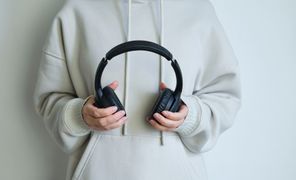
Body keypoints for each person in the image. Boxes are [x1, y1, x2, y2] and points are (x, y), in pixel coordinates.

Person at [33, 0, 241, 179]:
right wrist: (80, 115)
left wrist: (191, 116)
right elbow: (50, 98)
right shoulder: (77, 10)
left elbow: (225, 97)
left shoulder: (197, 10)